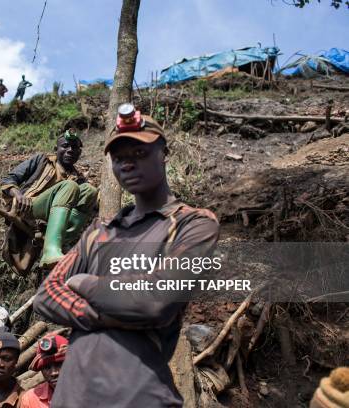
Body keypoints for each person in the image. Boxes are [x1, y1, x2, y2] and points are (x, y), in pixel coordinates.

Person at [34, 108, 220, 408]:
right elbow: (46, 294)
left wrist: (85, 283)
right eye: (119, 158)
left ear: (164, 153)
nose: (128, 163)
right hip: (71, 397)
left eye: (139, 152)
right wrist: (100, 314)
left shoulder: (194, 224)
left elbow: (156, 301)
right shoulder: (98, 232)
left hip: (138, 396)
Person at [0, 129, 98, 271]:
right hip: (29, 208)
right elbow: (8, 180)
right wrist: (19, 195)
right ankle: (50, 251)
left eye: (74, 147)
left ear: (79, 153)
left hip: (52, 219)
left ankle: (58, 239)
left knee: (90, 191)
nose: (70, 150)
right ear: (55, 149)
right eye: (65, 146)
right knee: (70, 186)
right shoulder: (42, 160)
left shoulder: (79, 179)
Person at [20, 334, 68, 408]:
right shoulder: (30, 399)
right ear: (41, 370)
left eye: (59, 364)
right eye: (46, 367)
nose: (54, 373)